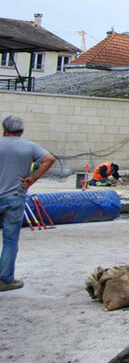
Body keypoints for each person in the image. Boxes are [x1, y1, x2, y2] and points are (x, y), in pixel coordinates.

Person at [0, 115, 56, 291]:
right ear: (21, 131)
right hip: (15, 197)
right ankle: (5, 280)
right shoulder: (30, 147)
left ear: (4, 129)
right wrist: (32, 179)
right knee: (10, 240)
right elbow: (49, 159)